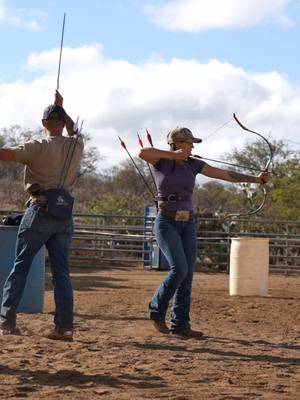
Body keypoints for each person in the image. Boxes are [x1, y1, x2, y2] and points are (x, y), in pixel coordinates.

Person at [139, 127, 271, 337]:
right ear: (178, 143)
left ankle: (180, 324)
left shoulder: (194, 164)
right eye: (190, 143)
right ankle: (156, 310)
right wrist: (173, 155)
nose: (193, 147)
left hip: (187, 223)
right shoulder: (161, 161)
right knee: (179, 269)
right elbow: (143, 152)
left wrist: (256, 179)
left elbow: (224, 174)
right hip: (166, 222)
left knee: (187, 274)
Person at [0, 91, 84, 341]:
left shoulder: (37, 147)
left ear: (44, 123)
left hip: (40, 210)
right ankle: (64, 327)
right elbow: (74, 130)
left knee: (21, 266)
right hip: (64, 214)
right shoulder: (76, 146)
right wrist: (63, 108)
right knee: (61, 272)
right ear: (62, 123)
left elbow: (5, 155)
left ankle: (6, 322)